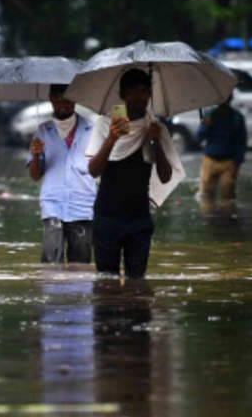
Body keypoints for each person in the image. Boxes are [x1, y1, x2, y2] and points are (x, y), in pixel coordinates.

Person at [85, 68, 184, 278]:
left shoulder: (156, 128)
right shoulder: (104, 123)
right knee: (106, 283)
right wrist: (112, 138)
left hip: (139, 218)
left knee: (137, 283)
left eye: (145, 91)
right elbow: (93, 170)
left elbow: (165, 177)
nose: (140, 97)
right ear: (122, 94)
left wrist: (155, 141)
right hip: (107, 217)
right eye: (133, 91)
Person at [27, 84, 98, 264]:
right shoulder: (43, 131)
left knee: (80, 265)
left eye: (67, 98)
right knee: (51, 261)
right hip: (53, 203)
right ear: (51, 99)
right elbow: (35, 175)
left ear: (75, 99)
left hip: (83, 203)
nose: (63, 103)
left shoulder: (92, 129)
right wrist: (35, 156)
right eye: (57, 98)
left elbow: (99, 168)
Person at [196, 93, 247, 202]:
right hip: (210, 160)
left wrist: (237, 162)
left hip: (229, 162)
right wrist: (205, 125)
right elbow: (199, 137)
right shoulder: (210, 115)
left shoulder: (237, 117)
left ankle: (226, 217)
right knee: (206, 196)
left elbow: (242, 142)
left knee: (227, 196)